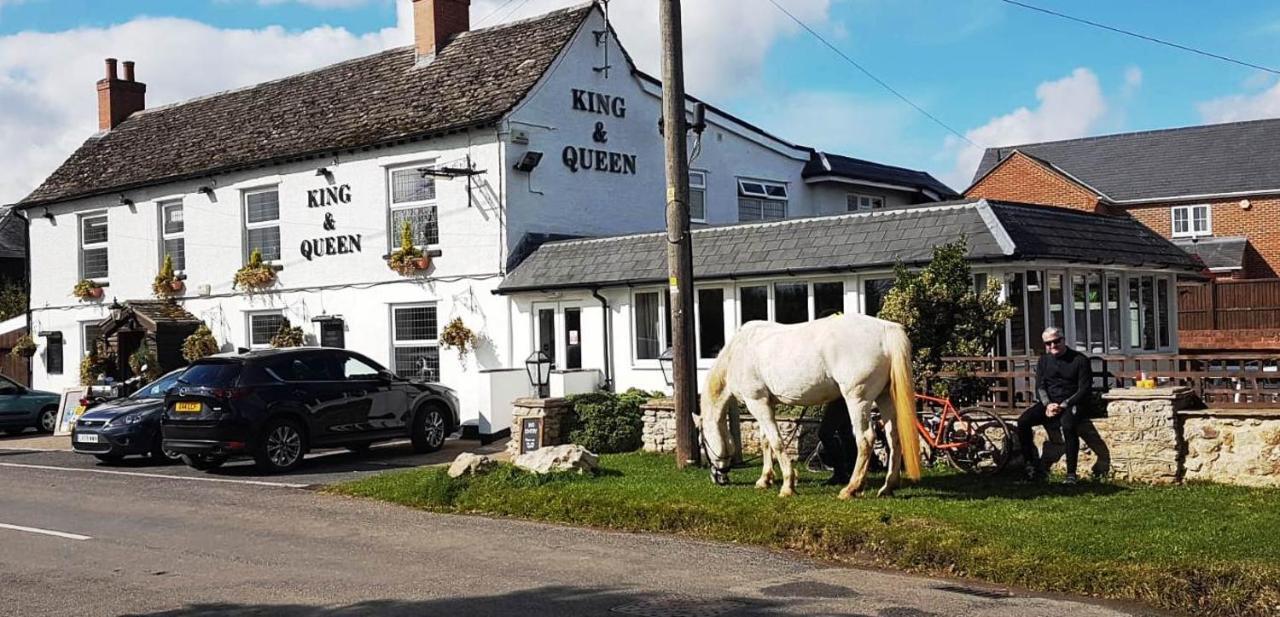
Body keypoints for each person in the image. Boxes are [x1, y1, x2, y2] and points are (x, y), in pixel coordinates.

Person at [1017, 327, 1092, 484]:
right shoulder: (1044, 360)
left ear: (1063, 340)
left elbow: (1084, 389)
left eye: (1056, 341)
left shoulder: (1080, 360)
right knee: (1023, 421)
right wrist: (1048, 404)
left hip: (1071, 402)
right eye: (1048, 343)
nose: (1052, 346)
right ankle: (1029, 466)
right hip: (1050, 403)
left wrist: (1064, 405)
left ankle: (1071, 474)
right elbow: (1040, 386)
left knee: (1068, 425)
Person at [817, 398, 856, 485]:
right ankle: (849, 470)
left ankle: (840, 473)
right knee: (845, 433)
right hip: (841, 398)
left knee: (825, 433)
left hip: (838, 398)